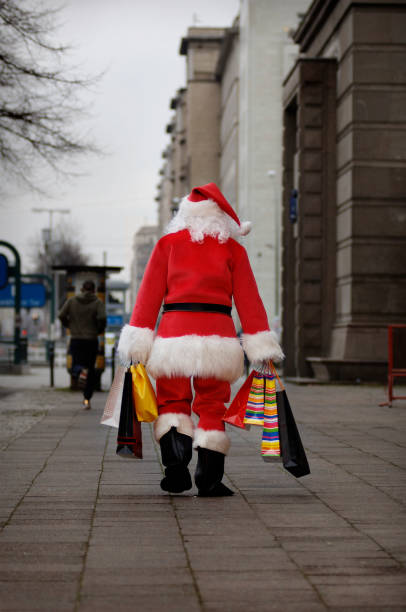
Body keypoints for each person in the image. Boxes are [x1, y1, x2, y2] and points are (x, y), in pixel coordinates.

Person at [118, 183, 284, 496]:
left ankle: (176, 467)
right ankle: (209, 479)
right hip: (218, 336)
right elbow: (249, 300)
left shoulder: (168, 244)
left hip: (173, 336)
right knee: (212, 405)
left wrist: (139, 337)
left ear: (185, 215)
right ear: (220, 217)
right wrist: (260, 344)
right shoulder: (233, 250)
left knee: (172, 400)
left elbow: (149, 294)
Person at [59, 280, 106, 409]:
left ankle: (79, 370)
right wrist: (99, 329)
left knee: (75, 364)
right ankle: (87, 398)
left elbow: (61, 315)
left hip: (76, 339)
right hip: (91, 340)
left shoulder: (72, 301)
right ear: (94, 290)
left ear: (81, 289)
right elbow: (102, 318)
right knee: (90, 368)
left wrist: (68, 325)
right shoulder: (97, 303)